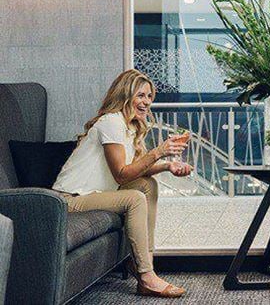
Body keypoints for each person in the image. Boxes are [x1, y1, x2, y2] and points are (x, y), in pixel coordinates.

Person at [52, 69, 192, 298]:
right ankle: (146, 276)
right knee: (134, 197)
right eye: (141, 95)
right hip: (70, 199)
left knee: (148, 185)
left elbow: (136, 170)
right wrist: (158, 152)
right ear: (125, 96)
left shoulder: (129, 126)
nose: (147, 102)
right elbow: (121, 175)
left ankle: (143, 264)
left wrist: (167, 165)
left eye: (149, 96)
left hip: (93, 194)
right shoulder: (111, 122)